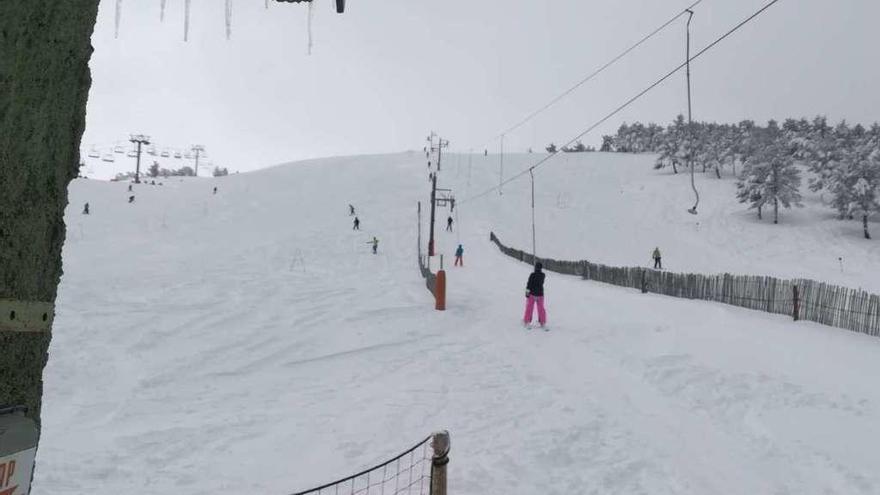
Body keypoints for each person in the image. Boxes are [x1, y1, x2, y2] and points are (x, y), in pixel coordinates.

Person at [524, 263, 547, 328]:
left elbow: (529, 284)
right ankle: (542, 322)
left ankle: (527, 321)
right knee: (541, 309)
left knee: (529, 308)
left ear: (535, 268)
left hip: (532, 294)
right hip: (540, 294)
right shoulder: (543, 275)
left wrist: (527, 293)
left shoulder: (532, 275)